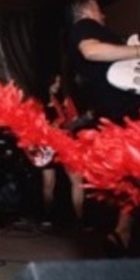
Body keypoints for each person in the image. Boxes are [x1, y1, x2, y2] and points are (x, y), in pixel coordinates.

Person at [66, 0, 140, 255]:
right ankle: (121, 230)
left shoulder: (108, 35)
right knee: (134, 171)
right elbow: (91, 51)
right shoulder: (84, 26)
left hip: (129, 108)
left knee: (136, 173)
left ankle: (122, 232)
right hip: (122, 111)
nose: (104, 15)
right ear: (86, 10)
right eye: (99, 9)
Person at [40, 74, 86, 227]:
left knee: (77, 180)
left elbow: (74, 121)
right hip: (47, 145)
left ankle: (80, 219)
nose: (58, 85)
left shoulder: (66, 100)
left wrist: (80, 120)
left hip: (66, 143)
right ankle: (47, 216)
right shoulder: (39, 101)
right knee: (48, 183)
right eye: (55, 81)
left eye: (60, 82)